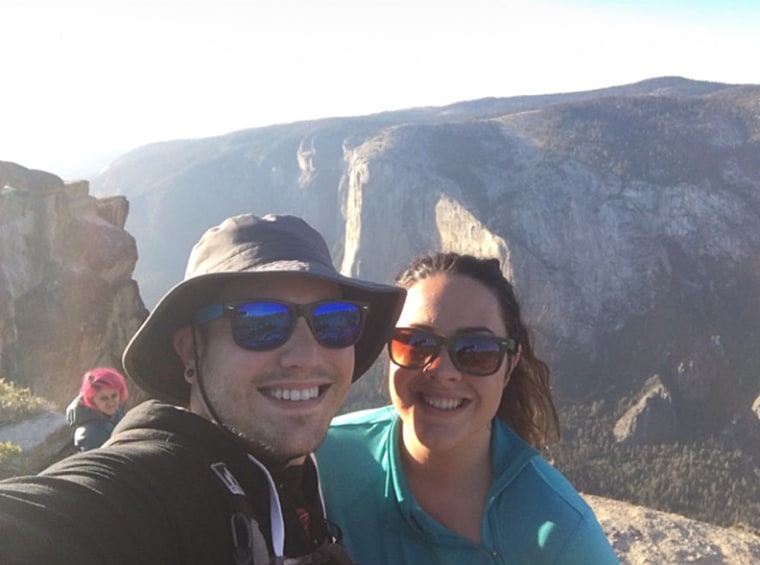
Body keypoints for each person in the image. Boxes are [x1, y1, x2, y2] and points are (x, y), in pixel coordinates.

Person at [0, 213, 406, 565]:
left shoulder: (302, 480)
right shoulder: (156, 488)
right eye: (260, 322)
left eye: (335, 321)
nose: (304, 355)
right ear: (190, 350)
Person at [316, 252, 620, 565]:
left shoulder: (560, 536)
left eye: (477, 351)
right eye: (416, 343)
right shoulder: (323, 463)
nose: (443, 370)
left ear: (509, 366)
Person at [66, 366, 129, 451]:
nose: (111, 403)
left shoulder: (114, 413)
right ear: (92, 399)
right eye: (104, 398)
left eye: (114, 396)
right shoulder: (89, 433)